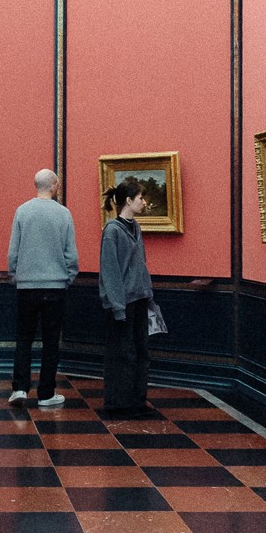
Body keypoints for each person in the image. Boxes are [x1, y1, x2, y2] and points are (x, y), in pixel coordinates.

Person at [6, 169, 78, 408]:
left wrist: (17, 276)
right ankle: (46, 393)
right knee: (50, 341)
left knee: (24, 338)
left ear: (35, 185)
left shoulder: (22, 211)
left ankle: (19, 389)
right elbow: (71, 254)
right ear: (55, 185)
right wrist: (68, 277)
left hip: (26, 286)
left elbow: (13, 252)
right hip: (55, 285)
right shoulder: (63, 213)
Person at [99, 176, 155, 418]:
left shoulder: (136, 228)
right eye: (141, 198)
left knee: (141, 352)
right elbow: (110, 271)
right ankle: (118, 403)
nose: (143, 202)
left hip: (139, 299)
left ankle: (137, 401)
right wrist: (118, 306)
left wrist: (148, 294)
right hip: (121, 303)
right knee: (123, 354)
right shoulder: (112, 230)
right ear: (128, 201)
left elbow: (140, 264)